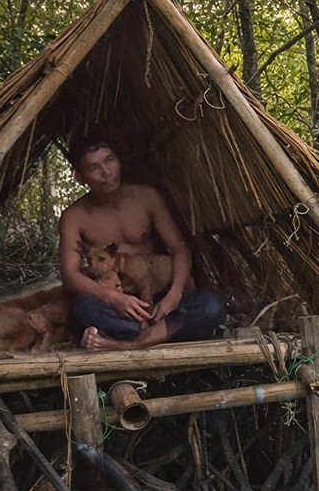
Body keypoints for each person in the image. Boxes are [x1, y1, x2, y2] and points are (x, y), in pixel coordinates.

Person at [58, 135, 225, 350]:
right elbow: (71, 276)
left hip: (160, 300)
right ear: (80, 177)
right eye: (94, 167)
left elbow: (179, 249)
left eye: (110, 160)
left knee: (212, 306)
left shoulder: (147, 197)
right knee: (82, 308)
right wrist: (113, 298)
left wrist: (174, 295)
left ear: (119, 160)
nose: (106, 172)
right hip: (116, 305)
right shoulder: (75, 216)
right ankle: (160, 335)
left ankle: (126, 342)